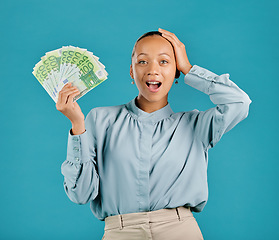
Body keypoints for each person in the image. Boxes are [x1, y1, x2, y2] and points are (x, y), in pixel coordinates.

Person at [56, 28, 252, 240]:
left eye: (164, 61)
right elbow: (81, 194)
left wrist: (188, 67)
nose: (152, 70)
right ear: (132, 72)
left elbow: (239, 102)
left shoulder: (196, 125)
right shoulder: (99, 120)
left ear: (176, 72)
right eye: (142, 61)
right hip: (121, 232)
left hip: (180, 231)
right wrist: (77, 124)